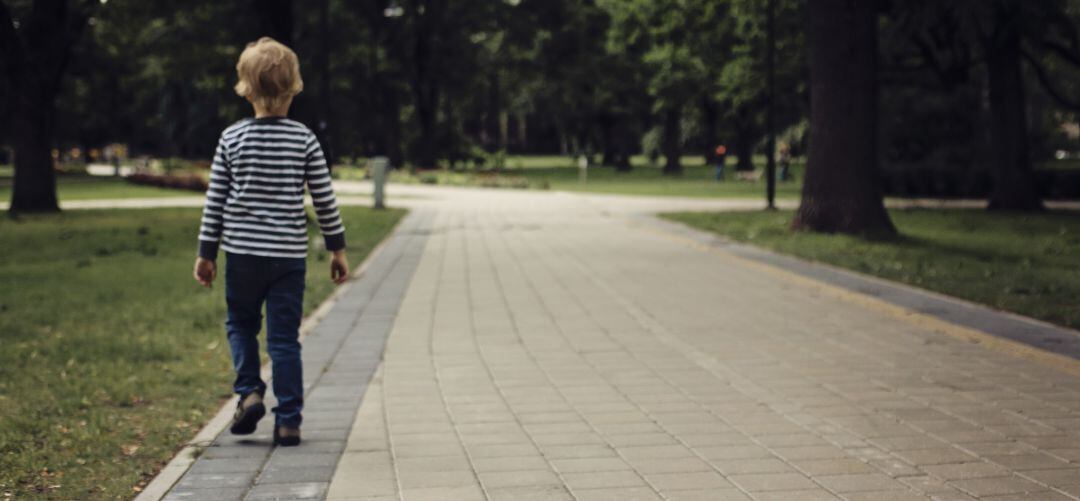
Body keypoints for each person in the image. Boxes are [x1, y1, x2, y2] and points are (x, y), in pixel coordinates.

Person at [193, 37, 349, 447]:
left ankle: (248, 392)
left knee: (241, 325)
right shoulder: (305, 139)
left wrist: (206, 253)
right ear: (294, 88)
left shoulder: (231, 138)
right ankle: (289, 421)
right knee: (283, 339)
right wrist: (337, 249)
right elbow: (324, 199)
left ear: (245, 88)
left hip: (242, 256)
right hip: (287, 259)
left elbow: (215, 202)